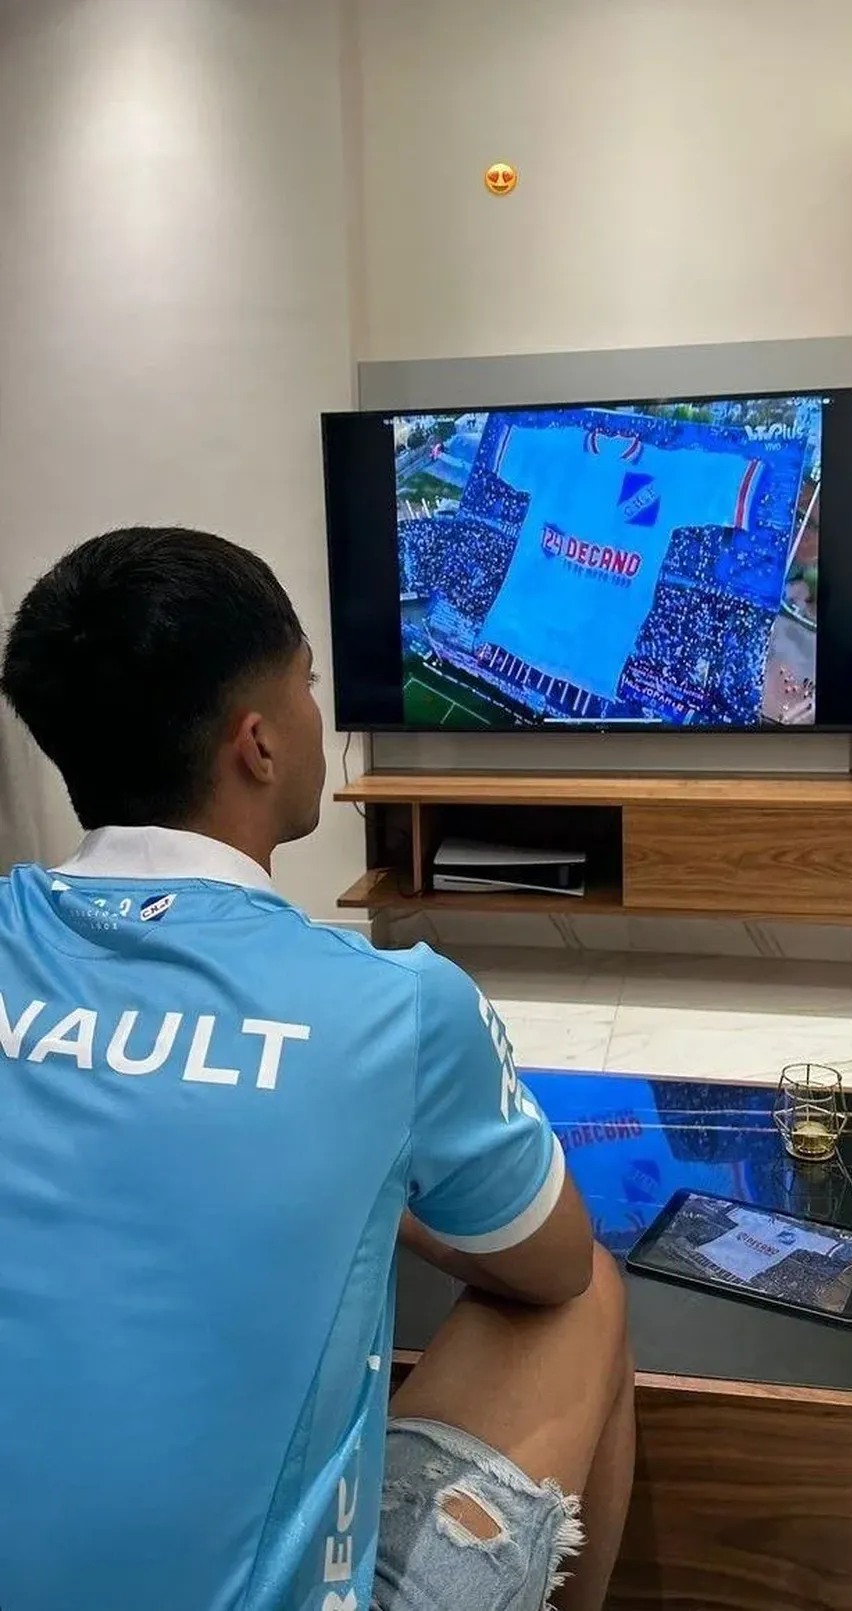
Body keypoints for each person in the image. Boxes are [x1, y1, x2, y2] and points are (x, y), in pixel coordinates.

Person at [0, 527, 635, 1611]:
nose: (317, 713)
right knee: (588, 1294)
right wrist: (364, 1182)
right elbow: (554, 1266)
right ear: (258, 744)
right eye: (306, 684)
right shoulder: (395, 1003)